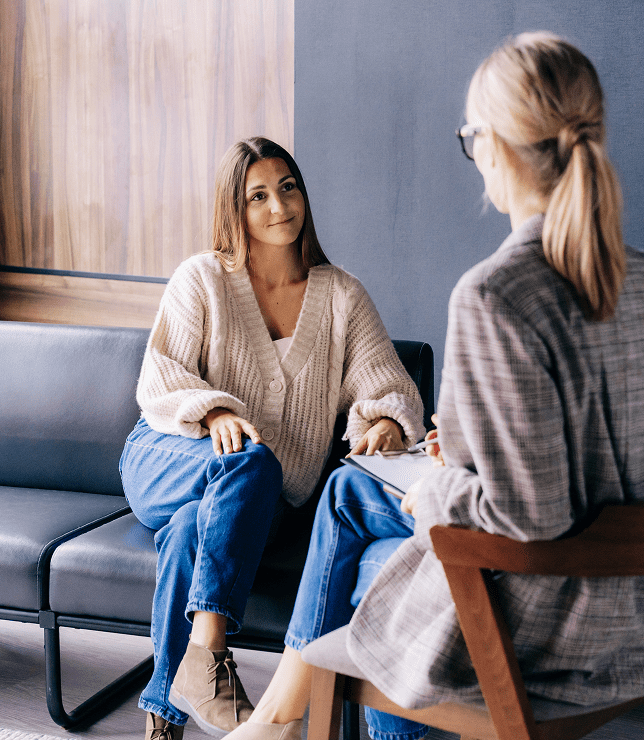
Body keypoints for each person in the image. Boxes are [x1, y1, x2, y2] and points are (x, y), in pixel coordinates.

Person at [223, 32, 644, 740]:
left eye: (470, 135)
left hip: (545, 628)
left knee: (383, 550)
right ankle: (274, 717)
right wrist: (464, 456)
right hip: (633, 617)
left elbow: (525, 514)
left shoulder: (496, 294)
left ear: (499, 147)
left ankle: (277, 718)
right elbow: (606, 460)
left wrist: (440, 488)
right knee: (353, 487)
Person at [119, 136, 425, 740]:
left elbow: (387, 383)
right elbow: (160, 377)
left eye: (287, 187)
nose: (278, 206)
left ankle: (164, 714)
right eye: (257, 195)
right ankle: (207, 657)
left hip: (262, 496)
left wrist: (385, 422)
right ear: (235, 208)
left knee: (193, 527)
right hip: (167, 454)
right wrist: (213, 415)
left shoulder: (342, 295)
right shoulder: (202, 278)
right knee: (252, 462)